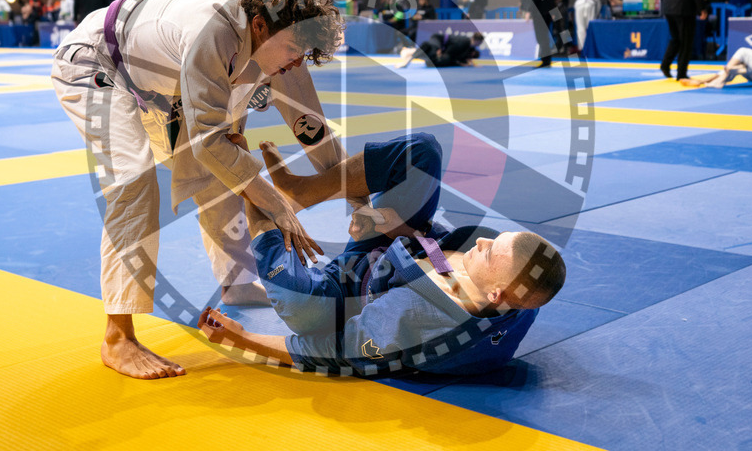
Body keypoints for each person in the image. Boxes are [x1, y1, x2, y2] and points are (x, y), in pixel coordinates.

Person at [51, 0, 350, 380]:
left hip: (160, 87)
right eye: (295, 50)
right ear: (259, 26)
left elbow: (314, 133)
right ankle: (117, 337)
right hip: (96, 64)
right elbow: (207, 142)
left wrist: (362, 204)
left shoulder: (284, 47)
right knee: (134, 178)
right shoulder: (212, 34)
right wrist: (276, 203)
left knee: (229, 160)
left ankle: (236, 282)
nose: (299, 61)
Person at [198, 133, 566, 377]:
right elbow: (442, 261)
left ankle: (252, 188)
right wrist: (394, 226)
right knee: (422, 151)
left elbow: (334, 352)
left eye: (489, 254)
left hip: (339, 300)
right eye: (494, 241)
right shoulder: (513, 291)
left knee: (296, 300)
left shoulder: (422, 322)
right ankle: (301, 190)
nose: (482, 242)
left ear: (495, 294)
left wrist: (241, 339)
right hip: (391, 252)